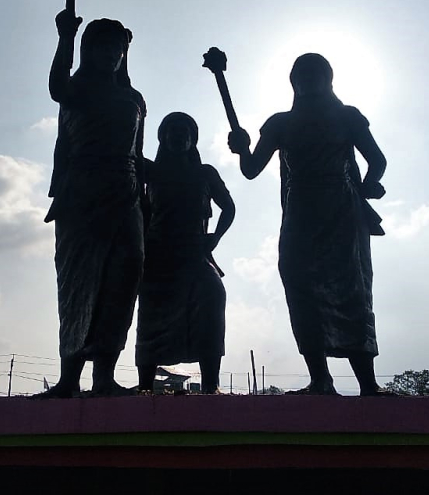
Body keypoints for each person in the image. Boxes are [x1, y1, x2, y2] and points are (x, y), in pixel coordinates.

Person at [227, 53, 387, 396]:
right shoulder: (280, 123)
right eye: (303, 74)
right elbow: (252, 169)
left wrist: (370, 184)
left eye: (317, 74)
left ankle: (368, 383)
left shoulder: (347, 117)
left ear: (328, 79)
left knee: (353, 290)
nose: (309, 80)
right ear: (293, 81)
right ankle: (320, 378)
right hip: (300, 213)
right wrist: (241, 149)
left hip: (341, 212)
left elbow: (377, 159)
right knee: (301, 288)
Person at [39, 8, 146, 398]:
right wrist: (65, 36)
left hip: (127, 195)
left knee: (121, 281)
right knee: (81, 281)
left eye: (117, 48)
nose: (112, 55)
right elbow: (55, 87)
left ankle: (105, 375)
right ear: (89, 50)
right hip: (82, 194)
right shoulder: (76, 89)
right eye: (103, 47)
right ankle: (70, 378)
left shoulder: (133, 99)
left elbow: (138, 151)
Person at [136, 112, 235, 394]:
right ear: (163, 137)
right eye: (172, 131)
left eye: (184, 132)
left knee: (212, 296)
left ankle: (210, 384)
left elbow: (229, 207)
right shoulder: (150, 171)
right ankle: (145, 385)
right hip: (158, 254)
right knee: (151, 315)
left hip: (195, 253)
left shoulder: (205, 173)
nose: (178, 136)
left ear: (193, 140)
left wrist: (214, 238)